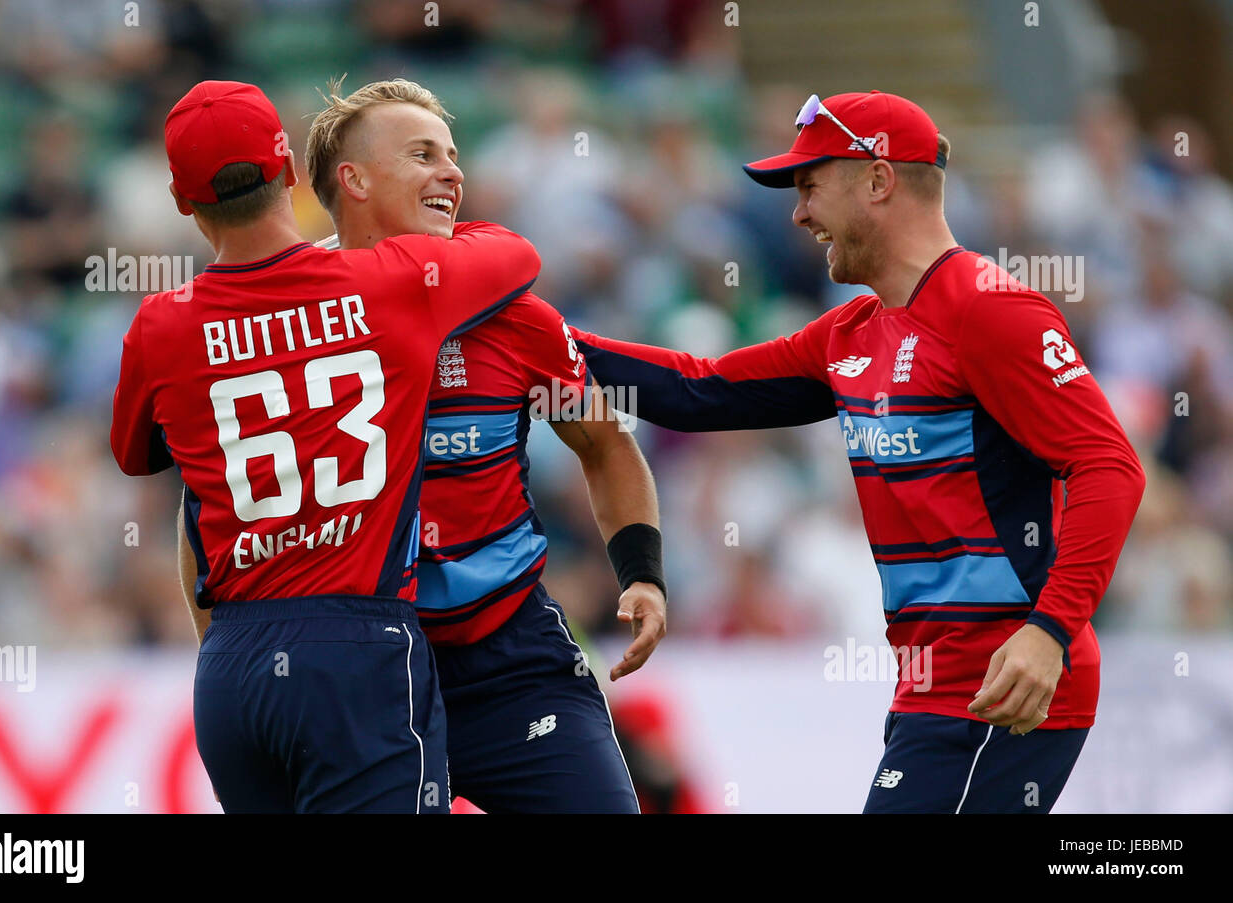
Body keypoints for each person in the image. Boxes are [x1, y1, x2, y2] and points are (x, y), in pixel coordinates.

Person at [572, 91, 1146, 813]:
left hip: (1006, 682)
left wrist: (1049, 632)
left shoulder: (990, 310)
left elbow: (1110, 467)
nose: (798, 213)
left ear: (878, 180)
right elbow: (701, 390)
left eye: (810, 185)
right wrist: (532, 339)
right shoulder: (850, 331)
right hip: (934, 686)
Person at [177, 78, 666, 813]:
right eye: (422, 153)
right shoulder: (289, 320)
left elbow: (602, 442)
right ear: (354, 179)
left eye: (453, 154)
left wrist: (642, 572)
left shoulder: (514, 315)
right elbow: (208, 512)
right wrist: (236, 649)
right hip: (360, 678)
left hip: (510, 660)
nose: (453, 171)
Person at [110, 80, 541, 813]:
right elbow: (515, 253)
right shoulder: (393, 284)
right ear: (289, 173)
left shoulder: (160, 325)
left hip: (233, 668)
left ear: (185, 203)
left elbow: (136, 452)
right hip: (356, 650)